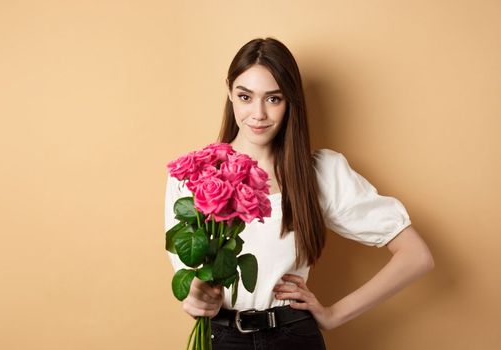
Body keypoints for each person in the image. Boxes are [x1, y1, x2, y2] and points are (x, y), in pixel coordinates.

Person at [164, 37, 434, 349]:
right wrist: (195, 299)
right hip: (220, 337)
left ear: (290, 100)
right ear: (230, 93)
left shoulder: (320, 172)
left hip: (293, 336)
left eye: (274, 99)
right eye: (245, 96)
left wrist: (334, 315)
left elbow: (416, 255)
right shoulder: (195, 173)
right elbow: (189, 276)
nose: (258, 114)